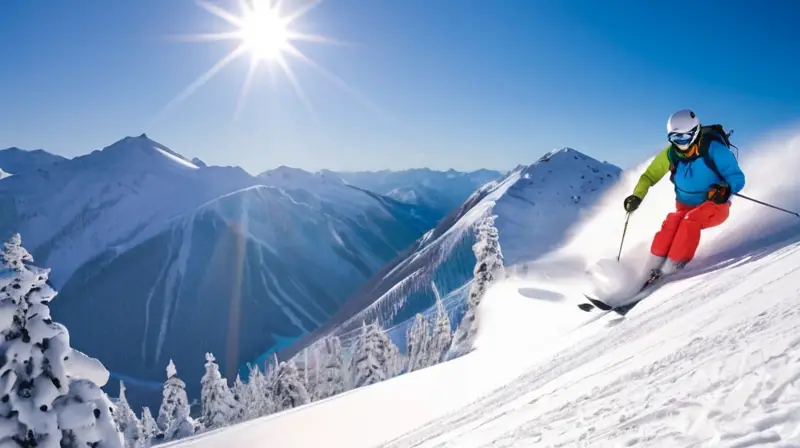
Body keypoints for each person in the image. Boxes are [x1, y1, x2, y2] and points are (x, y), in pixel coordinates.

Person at [622, 109, 745, 278]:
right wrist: (637, 195)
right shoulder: (671, 153)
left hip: (714, 205)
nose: (681, 144)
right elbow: (649, 176)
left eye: (685, 138)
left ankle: (672, 268)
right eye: (675, 138)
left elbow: (737, 177)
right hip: (685, 206)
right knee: (673, 221)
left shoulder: (714, 149)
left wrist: (725, 189)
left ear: (695, 132)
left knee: (690, 221)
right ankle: (650, 269)